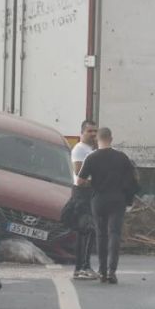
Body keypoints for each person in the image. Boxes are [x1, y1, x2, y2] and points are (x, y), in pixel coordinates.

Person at [77, 126, 139, 284]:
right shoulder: (122, 157)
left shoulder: (91, 157)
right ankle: (112, 271)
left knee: (101, 235)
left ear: (97, 139)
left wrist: (93, 182)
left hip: (98, 200)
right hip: (117, 199)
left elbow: (80, 180)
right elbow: (132, 180)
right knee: (115, 234)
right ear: (111, 139)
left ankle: (102, 271)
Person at [69, 120, 100, 280]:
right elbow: (79, 173)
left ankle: (84, 266)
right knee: (85, 230)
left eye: (95, 131)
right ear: (82, 132)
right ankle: (81, 267)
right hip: (82, 193)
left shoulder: (92, 149)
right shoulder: (80, 149)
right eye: (90, 131)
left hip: (90, 193)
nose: (94, 134)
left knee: (90, 231)